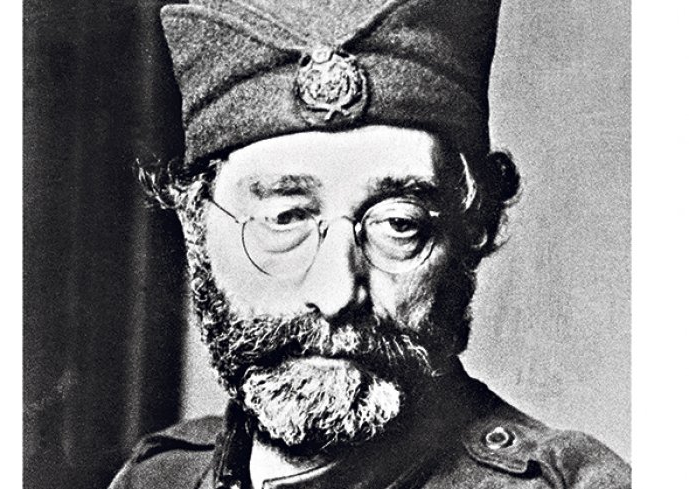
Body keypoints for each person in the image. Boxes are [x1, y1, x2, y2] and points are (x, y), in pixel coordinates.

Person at [110, 0, 630, 487]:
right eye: (285, 218)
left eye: (398, 224)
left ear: (471, 235)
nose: (337, 293)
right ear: (196, 228)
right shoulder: (157, 477)